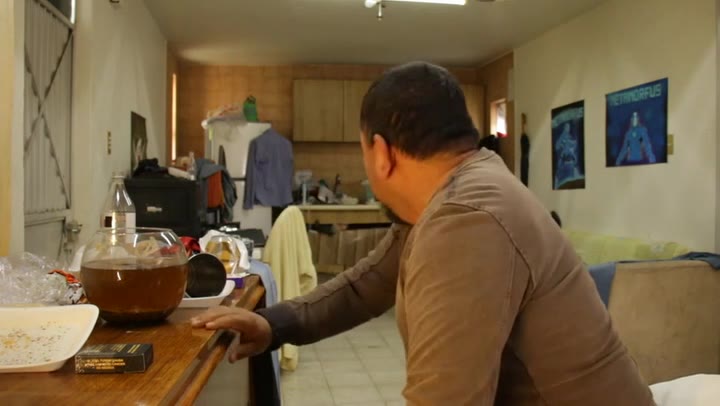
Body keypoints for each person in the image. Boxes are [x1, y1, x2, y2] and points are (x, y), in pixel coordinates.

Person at [192, 62, 654, 405]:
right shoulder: (460, 194)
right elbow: (364, 287)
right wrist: (272, 325)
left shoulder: (466, 219)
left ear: (381, 153)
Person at [554, 122, 582, 189]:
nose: (567, 128)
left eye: (568, 127)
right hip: (563, 164)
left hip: (570, 164)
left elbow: (574, 147)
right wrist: (563, 135)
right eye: (566, 127)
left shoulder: (572, 140)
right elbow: (557, 146)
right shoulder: (562, 138)